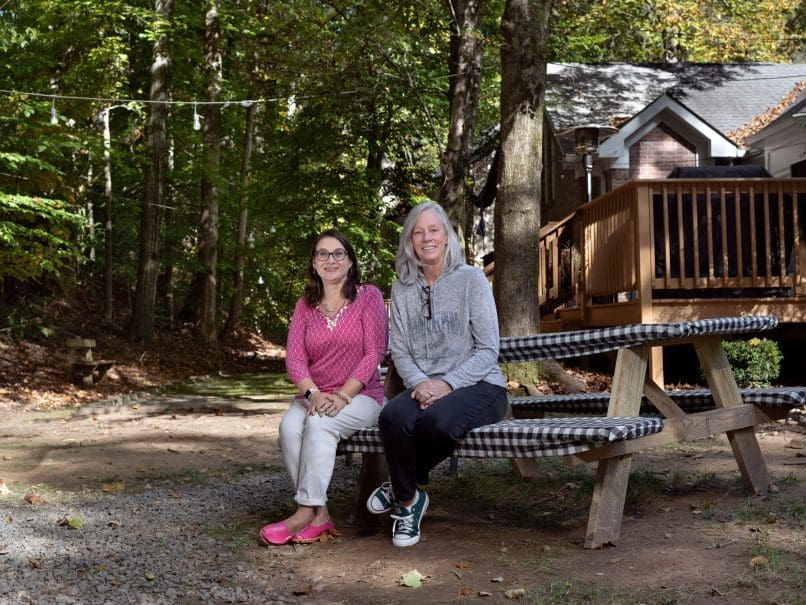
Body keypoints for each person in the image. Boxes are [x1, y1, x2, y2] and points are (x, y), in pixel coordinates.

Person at [366, 201, 508, 547]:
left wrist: (447, 384)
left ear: (447, 236)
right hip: (423, 386)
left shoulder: (471, 279)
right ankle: (411, 501)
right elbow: (398, 350)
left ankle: (400, 484)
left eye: (433, 230)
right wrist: (421, 384)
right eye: (418, 232)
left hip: (479, 385)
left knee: (437, 424)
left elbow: (489, 348)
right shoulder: (402, 288)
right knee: (392, 417)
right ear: (410, 240)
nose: (426, 238)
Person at [260, 229, 388, 545]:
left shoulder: (368, 296)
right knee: (290, 428)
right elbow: (295, 360)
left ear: (350, 260)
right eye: (322, 254)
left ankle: (304, 512)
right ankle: (321, 514)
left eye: (338, 253)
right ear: (314, 264)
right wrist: (313, 394)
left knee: (320, 423)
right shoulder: (305, 305)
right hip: (313, 393)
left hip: (361, 394)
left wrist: (343, 395)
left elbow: (374, 351)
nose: (330, 260)